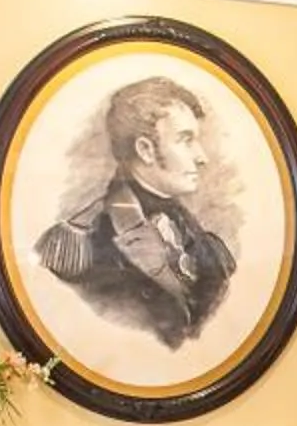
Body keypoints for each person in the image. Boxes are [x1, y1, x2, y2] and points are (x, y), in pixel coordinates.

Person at [34, 75, 236, 349]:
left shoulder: (198, 235)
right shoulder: (79, 244)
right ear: (146, 150)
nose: (201, 156)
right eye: (186, 140)